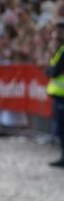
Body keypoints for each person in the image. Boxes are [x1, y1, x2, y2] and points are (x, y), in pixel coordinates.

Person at [45, 17, 64, 168]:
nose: (56, 35)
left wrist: (49, 71)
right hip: (59, 94)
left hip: (62, 95)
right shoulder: (60, 48)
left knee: (62, 128)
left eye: (59, 32)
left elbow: (54, 71)